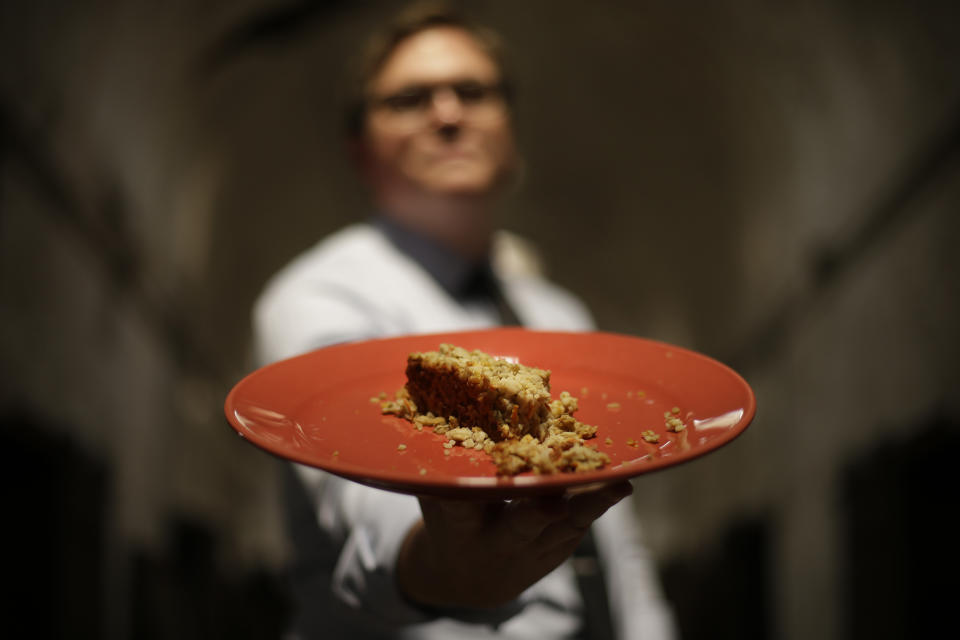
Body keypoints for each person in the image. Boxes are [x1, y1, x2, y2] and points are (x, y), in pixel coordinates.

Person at [253, 3, 676, 638]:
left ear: (509, 127)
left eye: (473, 92)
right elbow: (357, 490)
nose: (448, 114)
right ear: (360, 150)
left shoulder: (559, 313)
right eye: (409, 99)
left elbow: (618, 542)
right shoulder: (319, 296)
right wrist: (434, 565)